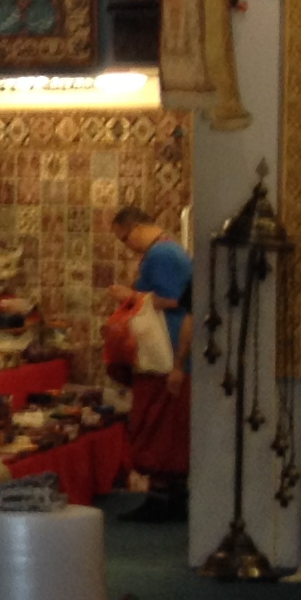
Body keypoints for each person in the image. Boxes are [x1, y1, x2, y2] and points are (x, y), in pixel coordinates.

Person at [110, 205, 191, 520]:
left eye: (125, 238)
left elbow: (172, 300)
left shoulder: (161, 254)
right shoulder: (169, 250)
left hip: (164, 353)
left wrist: (129, 297)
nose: (127, 246)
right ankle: (171, 499)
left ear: (138, 228)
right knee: (167, 429)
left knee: (158, 429)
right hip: (169, 352)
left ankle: (161, 502)